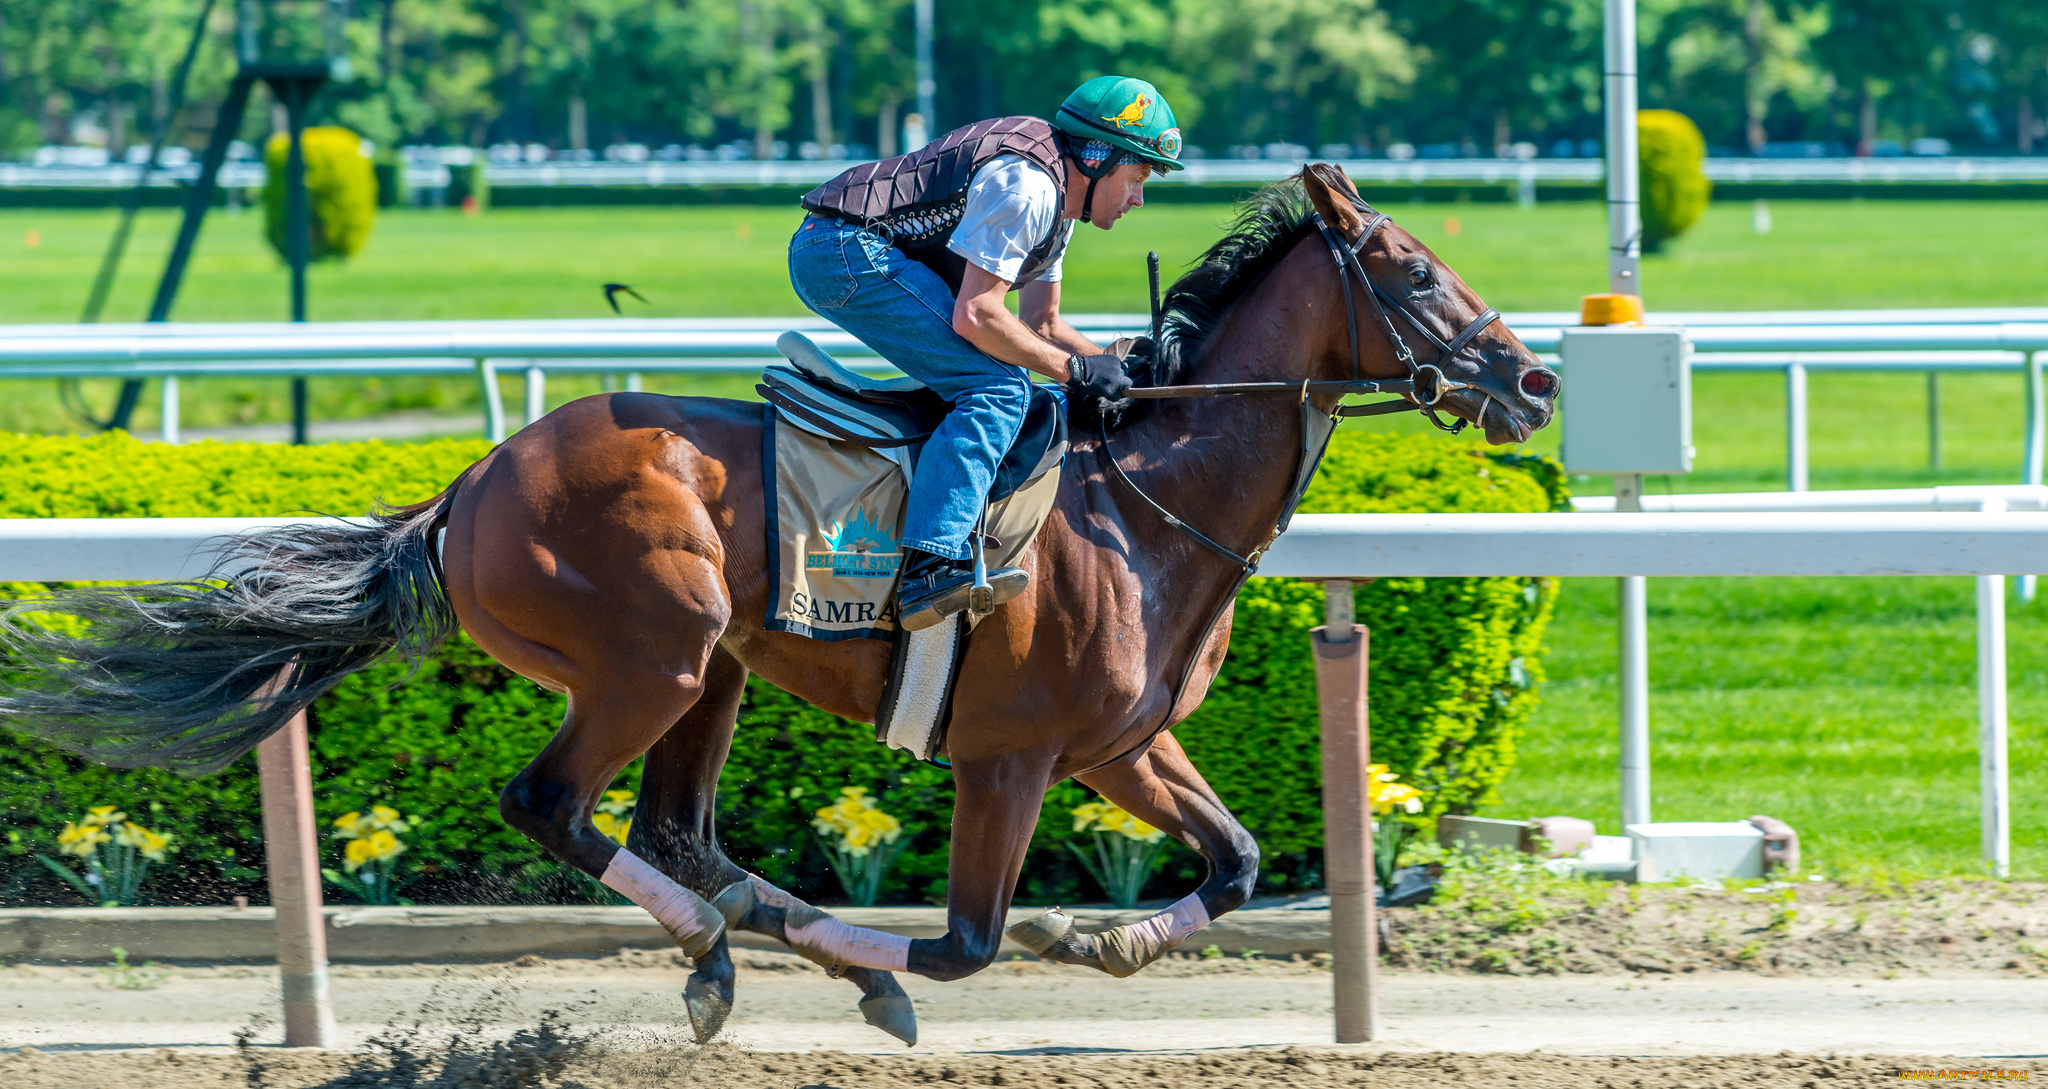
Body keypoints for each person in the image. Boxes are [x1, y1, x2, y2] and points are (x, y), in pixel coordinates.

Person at [790, 75, 1184, 632]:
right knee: (996, 388)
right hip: (839, 251)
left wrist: (1118, 368)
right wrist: (1075, 371)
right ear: (1097, 158)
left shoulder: (1059, 213)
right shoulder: (1027, 188)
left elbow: (1040, 323)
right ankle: (931, 564)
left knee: (1004, 376)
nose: (1139, 198)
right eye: (1137, 177)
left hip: (859, 250)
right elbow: (977, 315)